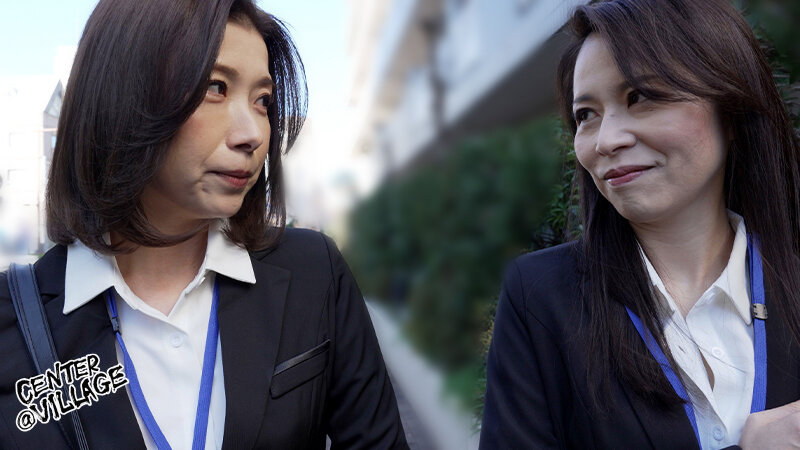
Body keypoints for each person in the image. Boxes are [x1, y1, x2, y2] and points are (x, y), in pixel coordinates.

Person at [0, 0, 408, 448]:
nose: (253, 134)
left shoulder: (314, 272)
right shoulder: (14, 321)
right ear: (123, 94)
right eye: (216, 87)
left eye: (263, 101)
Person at [480, 0, 800, 448]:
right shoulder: (540, 296)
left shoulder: (791, 281)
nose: (606, 140)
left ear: (729, 111)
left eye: (641, 97)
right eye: (585, 115)